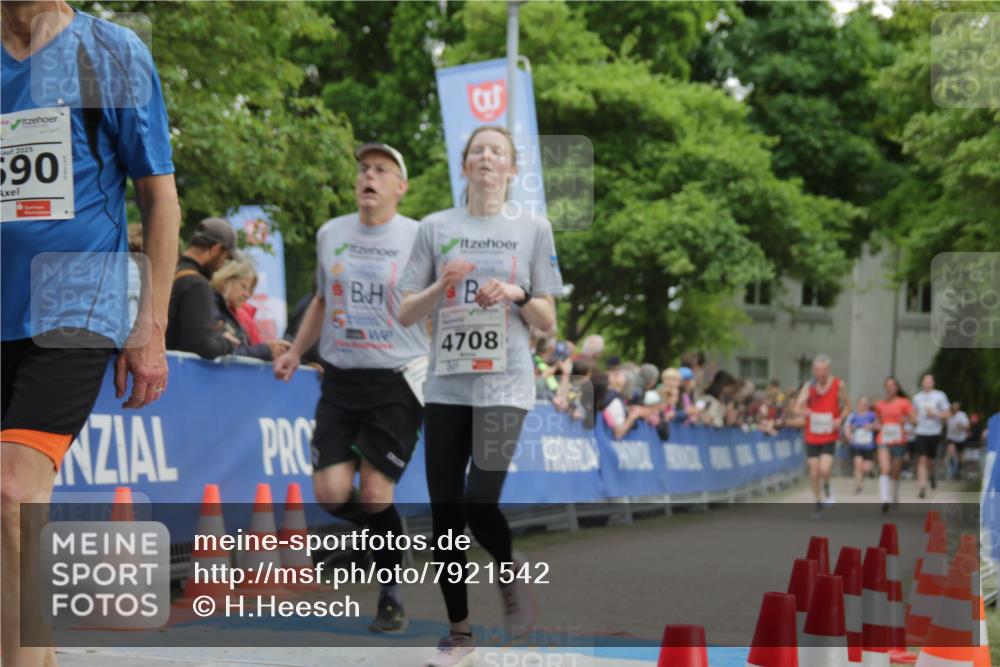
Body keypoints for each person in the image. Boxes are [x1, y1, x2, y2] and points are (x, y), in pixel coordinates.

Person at [2, 3, 179, 665]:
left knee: (11, 492)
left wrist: (150, 324)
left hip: (76, 301)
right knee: (13, 514)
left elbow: (158, 196)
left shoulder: (110, 51)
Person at [397, 125, 563, 667]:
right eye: (477, 151)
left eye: (498, 152)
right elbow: (406, 312)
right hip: (447, 386)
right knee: (446, 515)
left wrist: (517, 292)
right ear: (464, 166)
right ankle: (459, 634)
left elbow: (548, 321)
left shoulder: (534, 229)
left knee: (479, 500)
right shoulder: (435, 227)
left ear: (512, 169)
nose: (487, 158)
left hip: (506, 385)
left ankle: (509, 572)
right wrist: (440, 286)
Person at [274, 142, 427, 633]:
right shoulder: (331, 234)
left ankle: (390, 593)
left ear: (400, 187)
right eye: (364, 169)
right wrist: (297, 351)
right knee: (330, 491)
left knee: (376, 492)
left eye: (381, 170)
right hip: (341, 378)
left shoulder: (420, 237)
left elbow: (441, 305)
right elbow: (321, 300)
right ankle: (385, 536)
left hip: (397, 380)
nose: (369, 176)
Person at [166, 218, 243, 358]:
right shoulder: (197, 285)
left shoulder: (168, 272)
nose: (222, 265)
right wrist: (228, 343)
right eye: (226, 258)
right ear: (216, 249)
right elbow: (202, 347)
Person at [795, 354, 848, 518]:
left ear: (829, 370)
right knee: (813, 472)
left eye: (823, 371)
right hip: (812, 434)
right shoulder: (809, 386)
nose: (820, 374)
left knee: (824, 469)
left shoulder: (838, 384)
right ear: (813, 370)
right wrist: (804, 410)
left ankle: (827, 486)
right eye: (817, 371)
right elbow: (797, 407)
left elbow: (848, 406)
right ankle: (818, 504)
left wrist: (840, 418)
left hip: (829, 434)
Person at [211, 259, 290, 361]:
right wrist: (265, 350)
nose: (247, 294)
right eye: (243, 286)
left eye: (250, 290)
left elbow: (238, 350)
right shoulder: (211, 306)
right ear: (226, 281)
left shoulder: (228, 311)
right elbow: (226, 353)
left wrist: (267, 349)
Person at [873, 377, 915, 513]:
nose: (890, 388)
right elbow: (879, 421)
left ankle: (894, 495)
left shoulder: (904, 403)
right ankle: (885, 499)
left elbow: (914, 419)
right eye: (887, 386)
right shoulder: (879, 405)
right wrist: (876, 425)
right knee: (885, 469)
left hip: (898, 440)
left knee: (895, 472)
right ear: (885, 388)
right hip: (883, 439)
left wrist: (907, 419)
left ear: (897, 388)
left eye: (892, 385)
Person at [911, 373, 950, 498]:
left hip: (934, 432)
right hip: (921, 432)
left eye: (929, 381)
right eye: (925, 381)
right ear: (922, 383)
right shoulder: (917, 397)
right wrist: (913, 421)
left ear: (933, 383)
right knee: (922, 459)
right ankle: (922, 487)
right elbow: (913, 414)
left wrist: (935, 414)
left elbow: (947, 414)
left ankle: (932, 474)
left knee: (931, 461)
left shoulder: (940, 395)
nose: (927, 384)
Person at [844, 396, 877, 494]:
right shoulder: (853, 415)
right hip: (856, 444)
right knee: (857, 464)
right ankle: (858, 485)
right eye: (861, 403)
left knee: (866, 468)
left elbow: (879, 424)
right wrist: (849, 435)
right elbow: (846, 426)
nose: (863, 405)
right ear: (858, 404)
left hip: (868, 445)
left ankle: (869, 472)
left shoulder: (872, 415)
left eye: (865, 403)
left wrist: (871, 426)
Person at [944, 401, 969, 480]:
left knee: (960, 457)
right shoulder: (948, 415)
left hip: (961, 438)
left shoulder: (962, 415)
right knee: (951, 452)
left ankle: (958, 471)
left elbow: (967, 427)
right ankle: (951, 471)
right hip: (951, 438)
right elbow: (942, 422)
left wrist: (960, 426)